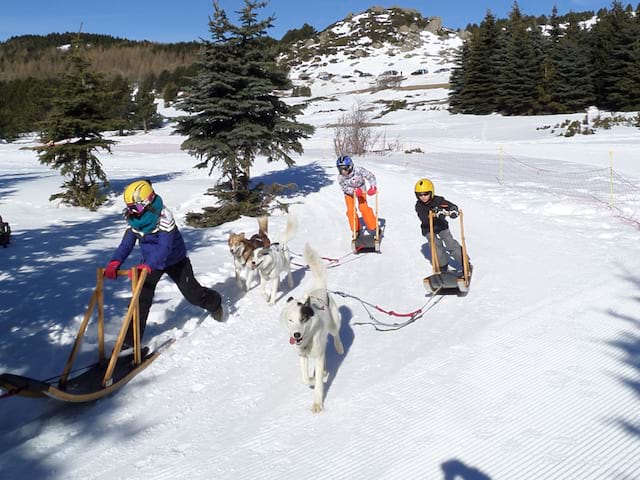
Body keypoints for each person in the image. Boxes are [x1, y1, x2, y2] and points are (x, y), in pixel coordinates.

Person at [104, 180, 223, 347]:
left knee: (193, 295)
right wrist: (115, 262)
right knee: (140, 299)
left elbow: (165, 248)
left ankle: (215, 302)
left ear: (147, 202)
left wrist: (148, 265)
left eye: (135, 208)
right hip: (150, 263)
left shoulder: (164, 216)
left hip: (175, 261)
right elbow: (126, 244)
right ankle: (130, 344)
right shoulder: (134, 220)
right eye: (129, 208)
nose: (132, 212)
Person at [414, 178, 470, 274]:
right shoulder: (419, 205)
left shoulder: (438, 200)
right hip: (428, 228)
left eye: (426, 194)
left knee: (450, 243)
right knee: (436, 245)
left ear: (431, 192)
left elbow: (449, 205)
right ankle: (443, 266)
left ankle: (464, 262)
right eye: (420, 195)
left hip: (441, 226)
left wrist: (453, 210)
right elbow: (424, 218)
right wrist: (435, 214)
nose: (423, 197)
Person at [336, 155, 378, 237]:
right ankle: (356, 229)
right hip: (349, 193)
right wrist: (353, 191)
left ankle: (374, 226)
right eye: (340, 169)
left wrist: (373, 186)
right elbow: (344, 188)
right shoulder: (340, 177)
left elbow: (370, 176)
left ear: (350, 166)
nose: (343, 171)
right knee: (350, 211)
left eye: (345, 168)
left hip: (361, 189)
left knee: (363, 207)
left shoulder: (358, 170)